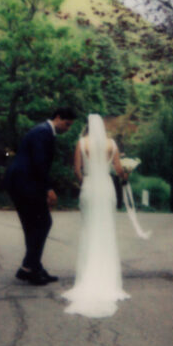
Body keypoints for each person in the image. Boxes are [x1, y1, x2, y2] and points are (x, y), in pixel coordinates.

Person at [62, 114, 130, 318]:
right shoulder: (112, 144)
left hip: (91, 187)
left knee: (89, 230)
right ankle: (107, 277)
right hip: (106, 187)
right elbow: (118, 170)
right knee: (106, 230)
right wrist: (126, 173)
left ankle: (87, 277)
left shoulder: (82, 143)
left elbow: (77, 170)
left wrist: (86, 181)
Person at [4, 106, 76, 286]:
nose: (67, 129)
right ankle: (28, 268)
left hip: (22, 182)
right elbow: (39, 163)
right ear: (58, 118)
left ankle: (33, 267)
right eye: (66, 124)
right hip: (24, 183)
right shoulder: (43, 132)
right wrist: (48, 189)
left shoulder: (43, 131)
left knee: (33, 225)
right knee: (43, 223)